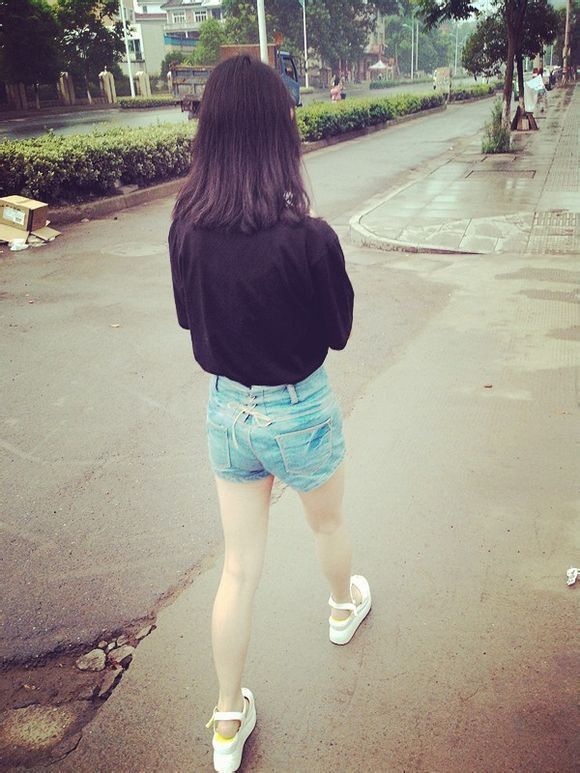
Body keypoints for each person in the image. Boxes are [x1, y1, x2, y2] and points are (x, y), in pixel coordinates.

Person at [168, 55, 371, 773]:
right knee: (328, 524)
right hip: (299, 408)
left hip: (228, 411)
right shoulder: (308, 237)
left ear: (212, 134)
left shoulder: (186, 227)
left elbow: (189, 319)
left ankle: (227, 721)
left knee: (238, 569)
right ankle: (342, 608)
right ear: (278, 134)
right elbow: (338, 332)